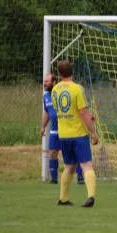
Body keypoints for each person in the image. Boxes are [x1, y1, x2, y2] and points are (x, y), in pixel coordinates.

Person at [52, 60, 99, 207]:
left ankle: (63, 198)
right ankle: (91, 197)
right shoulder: (77, 88)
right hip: (78, 134)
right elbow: (82, 111)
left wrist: (85, 116)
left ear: (59, 74)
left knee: (69, 166)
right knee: (86, 165)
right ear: (72, 71)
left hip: (64, 134)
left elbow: (63, 110)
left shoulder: (55, 90)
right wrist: (93, 132)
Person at [41, 74, 85, 185]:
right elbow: (47, 112)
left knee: (75, 153)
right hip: (54, 131)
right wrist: (43, 126)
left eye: (47, 81)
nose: (44, 83)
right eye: (44, 81)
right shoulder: (46, 96)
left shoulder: (63, 93)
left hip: (68, 129)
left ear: (54, 82)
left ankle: (80, 177)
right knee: (52, 154)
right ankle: (54, 180)